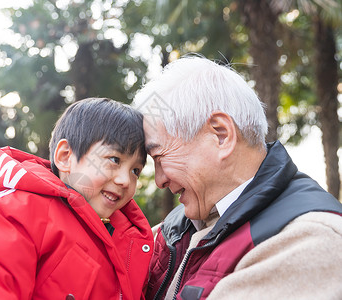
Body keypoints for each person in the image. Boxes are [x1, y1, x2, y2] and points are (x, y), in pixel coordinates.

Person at [132, 55, 342, 300]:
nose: (159, 180)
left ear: (221, 135)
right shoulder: (182, 222)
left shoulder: (311, 240)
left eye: (159, 156)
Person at [0, 98, 154, 300]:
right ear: (65, 157)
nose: (125, 180)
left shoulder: (131, 241)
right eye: (114, 159)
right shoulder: (13, 212)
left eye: (135, 170)